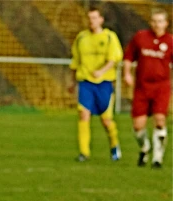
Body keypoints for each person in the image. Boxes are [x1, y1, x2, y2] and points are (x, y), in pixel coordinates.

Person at [70, 6, 124, 162]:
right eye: (89, 18)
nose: (91, 21)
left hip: (104, 83)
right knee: (83, 114)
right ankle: (84, 153)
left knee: (106, 120)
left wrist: (101, 71)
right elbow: (75, 61)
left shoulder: (109, 37)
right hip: (86, 82)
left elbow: (114, 59)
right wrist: (71, 81)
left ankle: (114, 145)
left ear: (101, 20)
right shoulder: (81, 38)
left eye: (94, 18)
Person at [123, 8, 172, 169]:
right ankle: (145, 148)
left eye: (160, 21)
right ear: (150, 22)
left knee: (159, 120)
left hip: (161, 87)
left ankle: (157, 159)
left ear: (166, 23)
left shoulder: (170, 41)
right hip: (142, 87)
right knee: (138, 125)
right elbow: (129, 57)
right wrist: (127, 74)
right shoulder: (141, 37)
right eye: (154, 21)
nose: (157, 24)